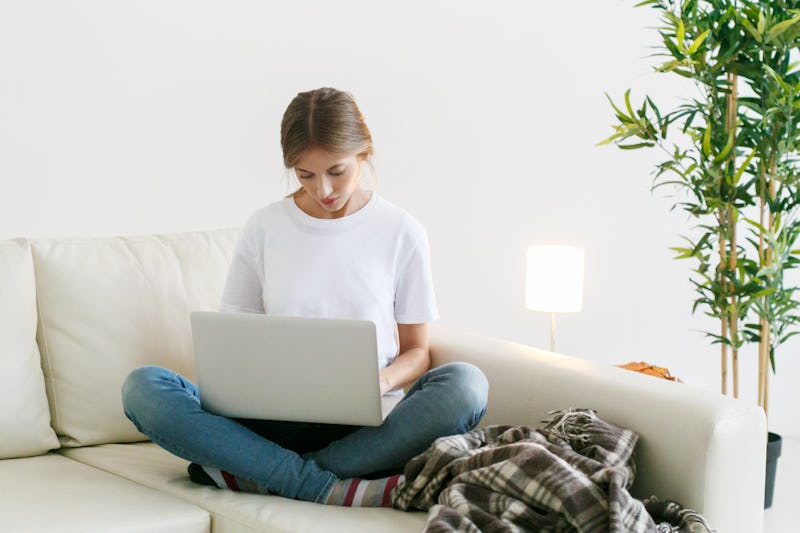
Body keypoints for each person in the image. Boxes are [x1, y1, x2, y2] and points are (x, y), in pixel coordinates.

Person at [121, 87, 489, 508]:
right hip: (270, 422)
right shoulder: (264, 227)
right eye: (305, 175)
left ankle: (259, 472)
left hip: (365, 427)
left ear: (364, 154)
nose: (324, 190)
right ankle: (325, 484)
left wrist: (379, 382)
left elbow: (417, 352)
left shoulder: (401, 231)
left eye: (337, 171)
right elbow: (236, 339)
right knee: (143, 387)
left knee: (466, 384)